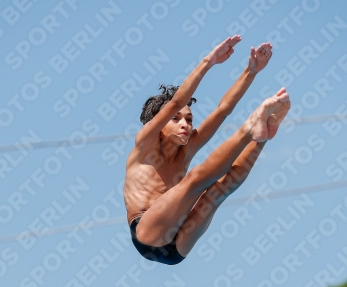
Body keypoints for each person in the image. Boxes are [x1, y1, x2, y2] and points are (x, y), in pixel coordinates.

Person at [123, 35, 291, 265]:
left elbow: (222, 110)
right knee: (193, 180)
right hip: (148, 235)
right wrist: (208, 61)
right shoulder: (144, 144)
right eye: (176, 119)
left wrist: (251, 71)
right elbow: (174, 102)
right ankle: (249, 129)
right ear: (159, 126)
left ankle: (263, 134)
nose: (186, 125)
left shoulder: (187, 146)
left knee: (218, 192)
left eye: (189, 119)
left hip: (178, 247)